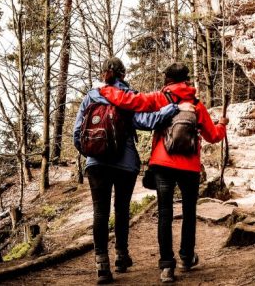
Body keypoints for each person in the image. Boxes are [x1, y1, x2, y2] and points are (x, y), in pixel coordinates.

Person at [97, 63, 228, 283]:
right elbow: (213, 136)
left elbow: (131, 102)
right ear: (186, 80)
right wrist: (222, 124)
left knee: (165, 213)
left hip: (163, 163)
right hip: (190, 167)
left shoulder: (160, 98)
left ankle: (167, 266)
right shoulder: (196, 104)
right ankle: (186, 257)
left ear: (167, 79)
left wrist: (106, 90)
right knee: (189, 212)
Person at [73, 57, 179, 284]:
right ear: (123, 74)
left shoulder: (90, 96)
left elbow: (76, 134)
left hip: (96, 164)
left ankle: (102, 265)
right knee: (121, 210)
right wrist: (172, 108)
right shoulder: (129, 97)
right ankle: (121, 256)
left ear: (104, 73)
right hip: (125, 164)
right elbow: (149, 121)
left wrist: (93, 154)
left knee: (100, 213)